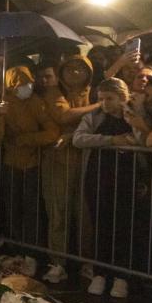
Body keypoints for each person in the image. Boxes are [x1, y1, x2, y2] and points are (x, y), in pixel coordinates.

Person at [73, 78, 145, 299]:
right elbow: (79, 139)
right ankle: (100, 272)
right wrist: (111, 140)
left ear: (122, 97)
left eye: (109, 99)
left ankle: (122, 275)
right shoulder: (93, 117)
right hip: (98, 178)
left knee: (124, 227)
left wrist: (135, 120)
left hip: (126, 179)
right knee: (100, 224)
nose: (104, 103)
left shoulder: (133, 116)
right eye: (100, 99)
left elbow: (142, 139)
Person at [40, 54, 100, 282]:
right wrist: (98, 105)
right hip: (58, 162)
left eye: (80, 69)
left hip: (86, 161)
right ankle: (58, 263)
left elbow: (97, 125)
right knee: (59, 211)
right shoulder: (55, 92)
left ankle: (88, 262)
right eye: (69, 69)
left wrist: (74, 134)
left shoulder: (93, 92)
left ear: (89, 72)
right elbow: (63, 115)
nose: (74, 73)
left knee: (85, 214)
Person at [0, 64, 60, 252]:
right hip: (11, 163)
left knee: (32, 210)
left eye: (28, 83)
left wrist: (26, 139)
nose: (26, 87)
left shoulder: (36, 102)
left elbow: (52, 131)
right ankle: (17, 248)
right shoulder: (2, 104)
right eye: (21, 84)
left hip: (33, 163)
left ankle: (32, 251)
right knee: (13, 208)